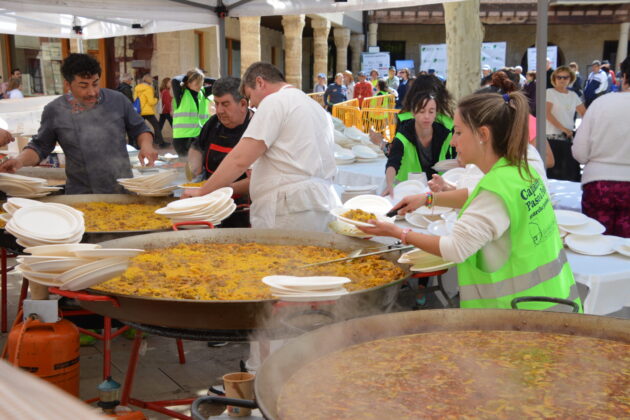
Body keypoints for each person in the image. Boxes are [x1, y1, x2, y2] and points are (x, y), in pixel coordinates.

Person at [359, 91, 581, 312]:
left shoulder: (496, 188)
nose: (454, 142)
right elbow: (481, 201)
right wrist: (428, 199)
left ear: (483, 134)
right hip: (553, 301)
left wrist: (396, 233)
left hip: (519, 315)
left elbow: (455, 248)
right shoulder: (520, 165)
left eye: (458, 132)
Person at [183, 61, 340, 231]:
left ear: (260, 82)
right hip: (321, 204)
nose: (251, 105)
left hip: (290, 211)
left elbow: (240, 160)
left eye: (250, 96)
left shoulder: (275, 101)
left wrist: (203, 192)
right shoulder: (315, 107)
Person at [0, 53, 157, 194]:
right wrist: (19, 161)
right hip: (81, 193)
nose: (92, 92)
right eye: (83, 86)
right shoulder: (54, 110)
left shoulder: (118, 100)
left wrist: (146, 145)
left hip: (122, 189)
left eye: (95, 83)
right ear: (68, 84)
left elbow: (140, 129)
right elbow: (40, 146)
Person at [572, 57, 630, 238]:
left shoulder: (602, 103)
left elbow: (580, 152)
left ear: (624, 76)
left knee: (595, 243)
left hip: (598, 184)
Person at [188, 77, 253, 227]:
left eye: (225, 104)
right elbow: (197, 147)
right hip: (211, 206)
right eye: (216, 104)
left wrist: (218, 190)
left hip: (244, 211)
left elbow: (256, 180)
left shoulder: (255, 128)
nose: (219, 111)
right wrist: (194, 167)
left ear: (243, 104)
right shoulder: (213, 123)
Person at [382, 92, 455, 196]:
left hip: (437, 193)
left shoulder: (445, 134)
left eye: (431, 112)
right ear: (413, 112)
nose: (426, 116)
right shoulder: (403, 136)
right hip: (408, 192)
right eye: (421, 111)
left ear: (436, 113)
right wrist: (389, 184)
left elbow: (453, 160)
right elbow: (392, 163)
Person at [545, 66, 585, 182]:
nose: (562, 80)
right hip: (551, 139)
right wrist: (563, 129)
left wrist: (581, 130)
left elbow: (585, 113)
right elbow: (546, 114)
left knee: (568, 175)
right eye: (559, 77)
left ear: (570, 79)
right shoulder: (549, 92)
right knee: (552, 177)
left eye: (565, 77)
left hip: (567, 139)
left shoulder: (573, 95)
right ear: (554, 79)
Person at [172, 69, 215, 157]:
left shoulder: (202, 92)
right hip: (182, 139)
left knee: (198, 167)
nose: (199, 86)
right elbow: (175, 80)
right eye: (196, 83)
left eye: (201, 83)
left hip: (198, 137)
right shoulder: (181, 94)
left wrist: (201, 77)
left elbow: (218, 83)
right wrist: (190, 76)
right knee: (185, 167)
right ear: (188, 83)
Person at [134, 74, 165, 148]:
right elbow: (151, 102)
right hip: (148, 111)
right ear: (149, 80)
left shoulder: (137, 88)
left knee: (138, 127)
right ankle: (160, 142)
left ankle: (137, 144)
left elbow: (135, 98)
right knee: (156, 126)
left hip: (139, 110)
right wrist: (156, 99)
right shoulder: (148, 88)